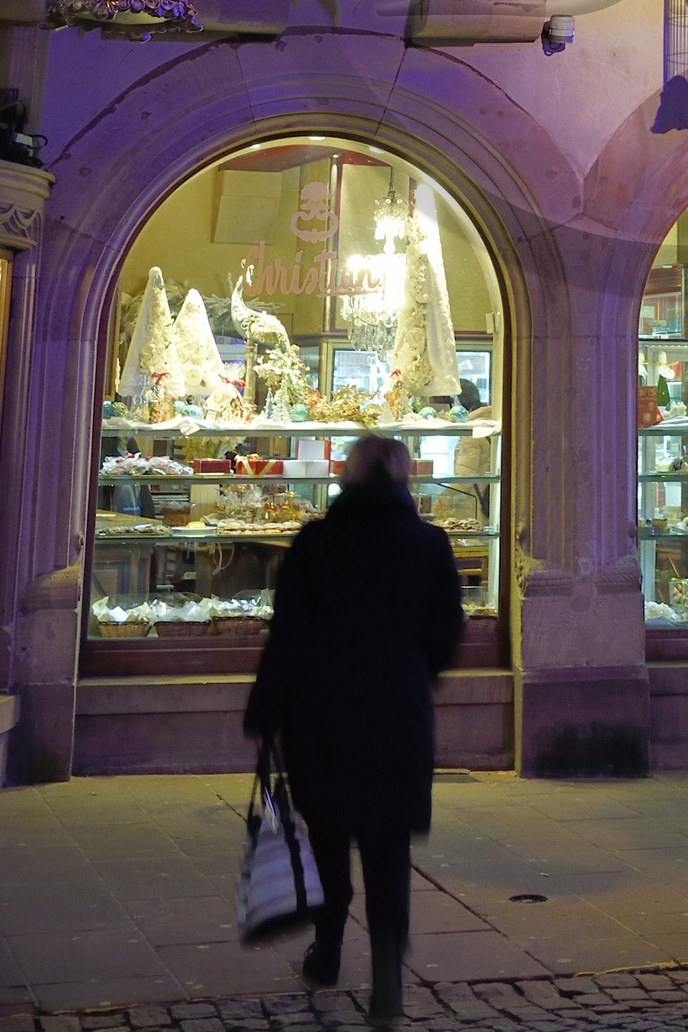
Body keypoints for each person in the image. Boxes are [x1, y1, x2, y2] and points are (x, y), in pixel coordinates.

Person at [245, 433, 465, 1023]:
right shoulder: (429, 544)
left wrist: (264, 711)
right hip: (397, 714)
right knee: (388, 846)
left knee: (328, 836)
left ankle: (328, 949)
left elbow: (287, 635)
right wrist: (413, 672)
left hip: (322, 713)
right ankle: (387, 970)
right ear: (403, 477)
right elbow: (447, 633)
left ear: (348, 475)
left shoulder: (317, 542)